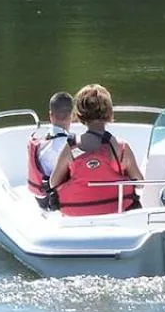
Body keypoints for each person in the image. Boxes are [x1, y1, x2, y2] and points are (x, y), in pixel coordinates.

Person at [49, 83, 143, 214]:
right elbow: (140, 183)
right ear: (108, 112)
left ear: (80, 114)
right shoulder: (121, 148)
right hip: (115, 213)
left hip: (77, 215)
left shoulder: (71, 147)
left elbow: (53, 183)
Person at [26, 91, 75, 201]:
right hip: (55, 200)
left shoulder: (41, 140)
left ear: (51, 116)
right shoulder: (67, 146)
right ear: (71, 116)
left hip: (40, 197)